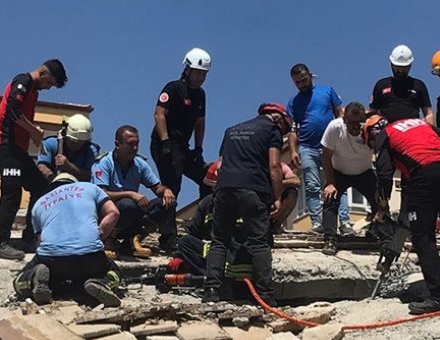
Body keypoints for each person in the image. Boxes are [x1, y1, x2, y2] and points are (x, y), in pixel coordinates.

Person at [364, 114, 440, 314]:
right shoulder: (419, 123)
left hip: (425, 173)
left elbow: (384, 171)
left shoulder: (383, 135)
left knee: (422, 236)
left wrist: (382, 203)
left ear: (372, 135)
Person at [202, 103, 292, 306]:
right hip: (253, 189)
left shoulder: (231, 130)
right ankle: (266, 296)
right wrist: (277, 197)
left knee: (219, 241)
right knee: (259, 243)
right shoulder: (272, 130)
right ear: (278, 117)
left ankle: (211, 290)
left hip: (224, 188)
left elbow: (221, 165)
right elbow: (274, 165)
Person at [0, 59, 68, 260]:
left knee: (40, 186)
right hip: (6, 145)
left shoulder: (34, 90)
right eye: (49, 83)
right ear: (43, 73)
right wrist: (33, 129)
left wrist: (31, 132)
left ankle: (29, 237)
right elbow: (13, 109)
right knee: (12, 192)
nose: (48, 87)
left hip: (18, 149)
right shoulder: (23, 80)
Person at [13, 173, 124, 307]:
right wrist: (98, 237)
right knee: (115, 272)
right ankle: (100, 282)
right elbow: (114, 212)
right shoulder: (90, 187)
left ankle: (36, 280)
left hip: (52, 260)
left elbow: (41, 241)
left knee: (19, 281)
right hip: (89, 257)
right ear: (74, 183)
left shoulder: (39, 204)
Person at [150, 48, 212, 255]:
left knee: (208, 179)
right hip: (164, 143)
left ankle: (204, 227)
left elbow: (200, 123)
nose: (200, 77)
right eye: (197, 72)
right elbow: (159, 115)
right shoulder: (174, 88)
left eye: (203, 73)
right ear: (187, 70)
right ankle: (168, 237)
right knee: (172, 187)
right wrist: (165, 141)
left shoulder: (200, 95)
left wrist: (199, 148)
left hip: (184, 147)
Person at [286, 63, 352, 235]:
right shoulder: (293, 103)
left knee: (338, 183)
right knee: (312, 185)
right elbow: (293, 129)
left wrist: (344, 137)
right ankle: (317, 223)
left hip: (330, 145)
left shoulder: (327, 91)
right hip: (307, 147)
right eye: (297, 82)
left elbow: (340, 113)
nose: (301, 84)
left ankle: (344, 222)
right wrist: (293, 150)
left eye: (304, 80)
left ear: (310, 76)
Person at [94, 125, 176, 258]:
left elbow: (156, 187)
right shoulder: (104, 163)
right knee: (128, 203)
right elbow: (100, 194)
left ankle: (134, 239)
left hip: (131, 215)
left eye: (137, 144)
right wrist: (130, 194)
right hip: (107, 214)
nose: (135, 148)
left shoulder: (140, 164)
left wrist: (166, 190)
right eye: (130, 144)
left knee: (167, 203)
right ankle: (109, 239)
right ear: (117, 144)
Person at [319, 102, 381, 255]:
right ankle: (330, 239)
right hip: (339, 171)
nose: (355, 127)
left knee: (380, 199)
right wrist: (331, 183)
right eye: (351, 123)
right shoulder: (334, 127)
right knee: (329, 199)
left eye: (358, 123)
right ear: (344, 119)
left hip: (365, 171)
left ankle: (379, 234)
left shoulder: (372, 130)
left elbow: (382, 155)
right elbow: (326, 157)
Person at [370, 44, 434, 124]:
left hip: (413, 132)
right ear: (391, 64)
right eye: (398, 67)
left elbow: (428, 113)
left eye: (404, 67)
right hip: (387, 132)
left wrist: (429, 132)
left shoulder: (418, 85)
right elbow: (372, 113)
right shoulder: (381, 85)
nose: (400, 71)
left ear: (410, 65)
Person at [36, 114, 99, 186]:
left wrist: (69, 166)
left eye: (80, 142)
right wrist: (55, 181)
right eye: (72, 141)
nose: (76, 145)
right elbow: (41, 167)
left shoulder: (91, 151)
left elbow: (92, 177)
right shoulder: (50, 144)